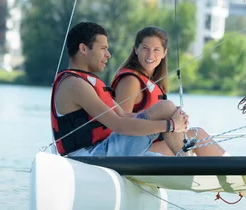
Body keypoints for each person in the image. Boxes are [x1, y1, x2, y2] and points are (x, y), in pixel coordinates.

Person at [51, 21, 190, 157]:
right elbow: (119, 125)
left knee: (167, 109)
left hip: (104, 148)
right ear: (83, 49)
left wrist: (173, 116)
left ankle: (187, 166)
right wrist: (170, 125)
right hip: (89, 155)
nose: (108, 55)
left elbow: (123, 115)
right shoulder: (74, 84)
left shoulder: (86, 83)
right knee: (165, 108)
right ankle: (188, 167)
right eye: (103, 49)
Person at [111, 26, 226, 156]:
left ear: (164, 53)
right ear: (136, 50)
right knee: (197, 136)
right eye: (145, 48)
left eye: (156, 50)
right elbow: (119, 122)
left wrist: (176, 117)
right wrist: (168, 121)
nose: (150, 55)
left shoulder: (153, 81)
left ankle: (233, 168)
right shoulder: (131, 80)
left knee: (198, 132)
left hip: (153, 142)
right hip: (132, 148)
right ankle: (229, 172)